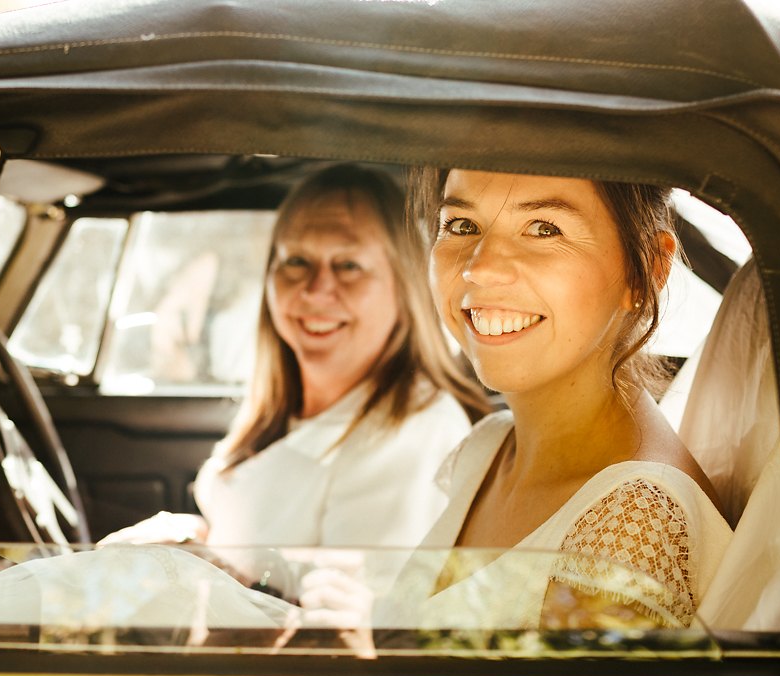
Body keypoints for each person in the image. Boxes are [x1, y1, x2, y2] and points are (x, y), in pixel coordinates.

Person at [383, 169, 734, 630]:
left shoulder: (631, 524)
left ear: (648, 268)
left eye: (545, 229)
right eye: (461, 226)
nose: (479, 267)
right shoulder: (489, 448)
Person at [103, 163, 488, 578]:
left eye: (348, 265)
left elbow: (357, 622)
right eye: (297, 260)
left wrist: (205, 568)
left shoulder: (416, 432)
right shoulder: (281, 403)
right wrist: (192, 539)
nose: (316, 289)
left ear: (403, 285)